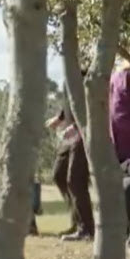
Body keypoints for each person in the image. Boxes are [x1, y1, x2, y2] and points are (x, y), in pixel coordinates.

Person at [46, 91, 94, 242]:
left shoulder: (88, 71)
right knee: (59, 175)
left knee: (75, 180)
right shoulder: (70, 70)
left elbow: (94, 99)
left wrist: (79, 126)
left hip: (84, 131)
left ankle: (87, 228)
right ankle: (77, 221)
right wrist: (60, 117)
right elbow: (71, 97)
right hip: (72, 131)